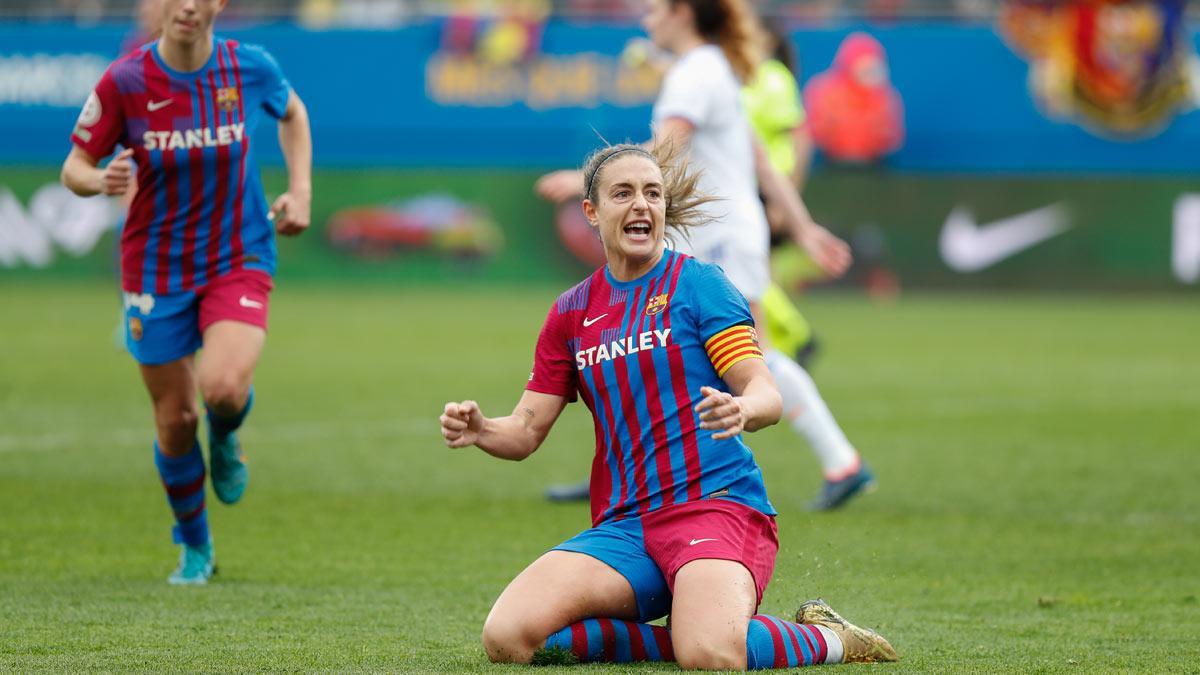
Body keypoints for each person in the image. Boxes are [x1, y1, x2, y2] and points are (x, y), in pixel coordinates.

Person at [442, 143, 897, 669]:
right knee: (510, 637)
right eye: (624, 194)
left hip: (717, 507)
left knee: (709, 654)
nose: (642, 205)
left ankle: (829, 639)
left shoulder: (699, 286)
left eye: (652, 194)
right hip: (626, 524)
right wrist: (482, 430)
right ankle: (685, 636)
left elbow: (765, 392)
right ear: (591, 212)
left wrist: (743, 410)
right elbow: (524, 430)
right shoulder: (571, 312)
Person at [537, 0, 875, 511]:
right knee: (648, 342)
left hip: (717, 236)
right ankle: (626, 466)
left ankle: (841, 461)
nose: (646, 17)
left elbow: (666, 147)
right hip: (716, 231)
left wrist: (590, 177)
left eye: (654, 8)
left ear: (684, 13)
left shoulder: (696, 71)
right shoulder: (709, 67)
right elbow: (759, 159)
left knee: (751, 354)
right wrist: (802, 227)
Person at [61, 0, 312, 585]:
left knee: (222, 389)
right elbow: (74, 165)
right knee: (175, 419)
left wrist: (299, 191)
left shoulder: (249, 67)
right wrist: (100, 179)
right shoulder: (126, 81)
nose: (189, 6)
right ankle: (195, 547)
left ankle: (225, 438)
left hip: (238, 255)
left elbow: (293, 114)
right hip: (155, 269)